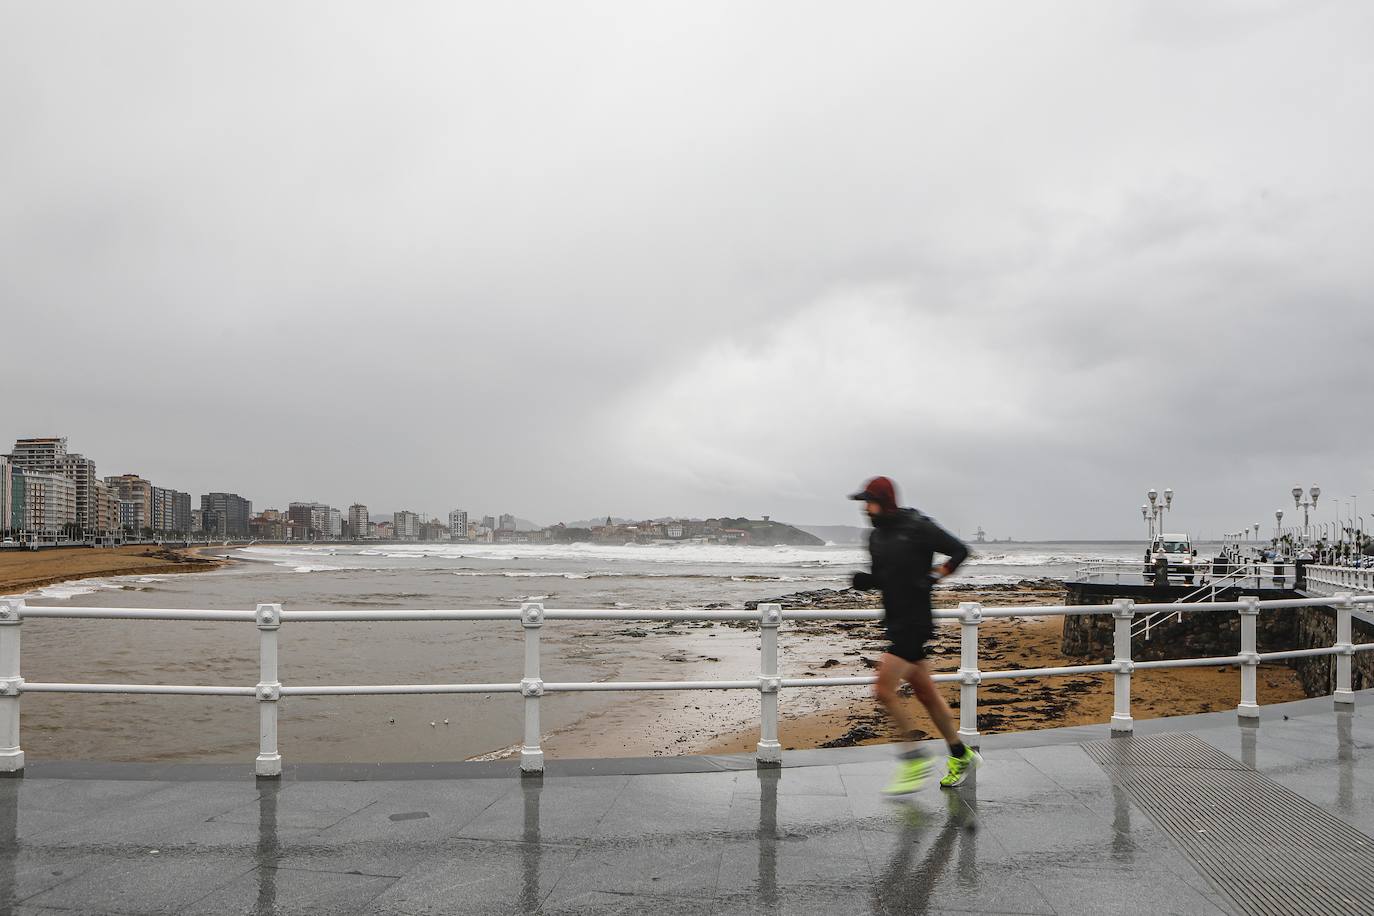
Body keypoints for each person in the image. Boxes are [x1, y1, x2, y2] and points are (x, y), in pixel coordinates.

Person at [848, 476, 980, 795]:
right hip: (895, 620)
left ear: (885, 501)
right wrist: (868, 581)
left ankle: (913, 756)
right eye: (864, 502)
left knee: (882, 690)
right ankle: (961, 755)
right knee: (926, 694)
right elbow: (885, 577)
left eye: (870, 501)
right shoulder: (875, 538)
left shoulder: (918, 527)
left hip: (915, 622)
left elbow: (960, 551)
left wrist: (936, 575)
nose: (866, 508)